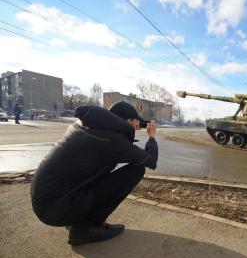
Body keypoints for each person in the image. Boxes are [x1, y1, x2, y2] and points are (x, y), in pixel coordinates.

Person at [31, 101, 158, 245]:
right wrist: (152, 137)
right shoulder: (111, 139)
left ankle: (79, 221)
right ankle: (85, 229)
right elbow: (151, 161)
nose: (137, 126)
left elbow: (126, 122)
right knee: (136, 170)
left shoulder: (88, 124)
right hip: (56, 208)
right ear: (128, 121)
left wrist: (142, 122)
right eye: (136, 123)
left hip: (48, 199)